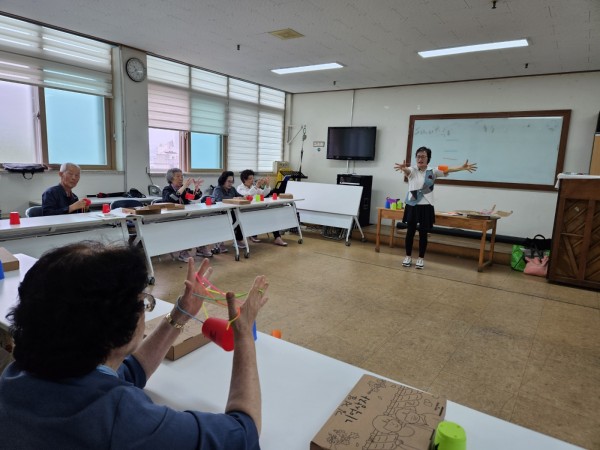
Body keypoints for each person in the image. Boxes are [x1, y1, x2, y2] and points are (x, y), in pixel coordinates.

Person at [0, 241, 268, 449]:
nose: (144, 308)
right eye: (143, 302)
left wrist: (181, 313)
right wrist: (243, 334)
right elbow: (242, 434)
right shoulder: (120, 420)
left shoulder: (15, 375)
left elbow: (128, 372)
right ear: (115, 333)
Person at [394, 147, 477, 269]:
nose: (420, 159)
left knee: (423, 234)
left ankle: (421, 258)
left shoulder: (433, 171)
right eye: (418, 156)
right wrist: (403, 168)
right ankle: (408, 256)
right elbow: (407, 171)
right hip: (412, 205)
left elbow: (448, 169)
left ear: (428, 158)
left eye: (423, 156)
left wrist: (462, 167)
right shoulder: (412, 170)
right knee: (410, 232)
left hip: (426, 206)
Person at [162, 168, 213, 260]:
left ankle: (200, 247)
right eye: (178, 176)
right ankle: (183, 252)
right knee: (184, 228)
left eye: (182, 176)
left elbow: (195, 196)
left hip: (185, 216)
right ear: (171, 179)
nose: (181, 178)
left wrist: (197, 188)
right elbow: (172, 198)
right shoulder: (167, 189)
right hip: (172, 218)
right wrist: (184, 187)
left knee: (200, 224)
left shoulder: (184, 190)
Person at [237, 169, 288, 247]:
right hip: (245, 211)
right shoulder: (240, 188)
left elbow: (263, 194)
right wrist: (256, 186)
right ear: (244, 180)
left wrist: (267, 185)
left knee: (271, 216)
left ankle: (277, 238)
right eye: (250, 179)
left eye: (253, 178)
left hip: (256, 208)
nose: (252, 180)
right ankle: (253, 235)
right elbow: (247, 195)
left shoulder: (253, 187)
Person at [212, 171, 247, 252]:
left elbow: (239, 196)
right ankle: (219, 242)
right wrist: (234, 198)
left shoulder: (232, 189)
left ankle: (238, 240)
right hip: (219, 213)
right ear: (223, 180)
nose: (230, 184)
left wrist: (244, 197)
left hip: (230, 211)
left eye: (232, 182)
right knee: (230, 218)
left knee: (239, 217)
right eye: (228, 181)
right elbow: (220, 200)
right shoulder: (218, 189)